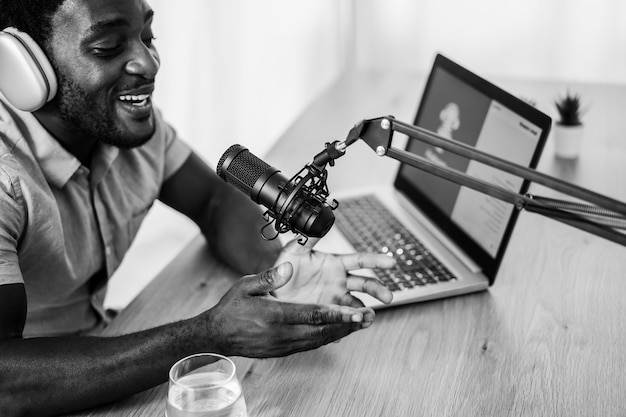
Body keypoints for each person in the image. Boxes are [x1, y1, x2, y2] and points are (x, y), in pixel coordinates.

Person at [0, 1, 396, 416]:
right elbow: (5, 382)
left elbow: (213, 200)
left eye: (147, 37)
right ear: (25, 66)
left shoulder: (125, 125)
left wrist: (279, 273)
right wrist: (207, 335)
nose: (149, 64)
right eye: (109, 47)